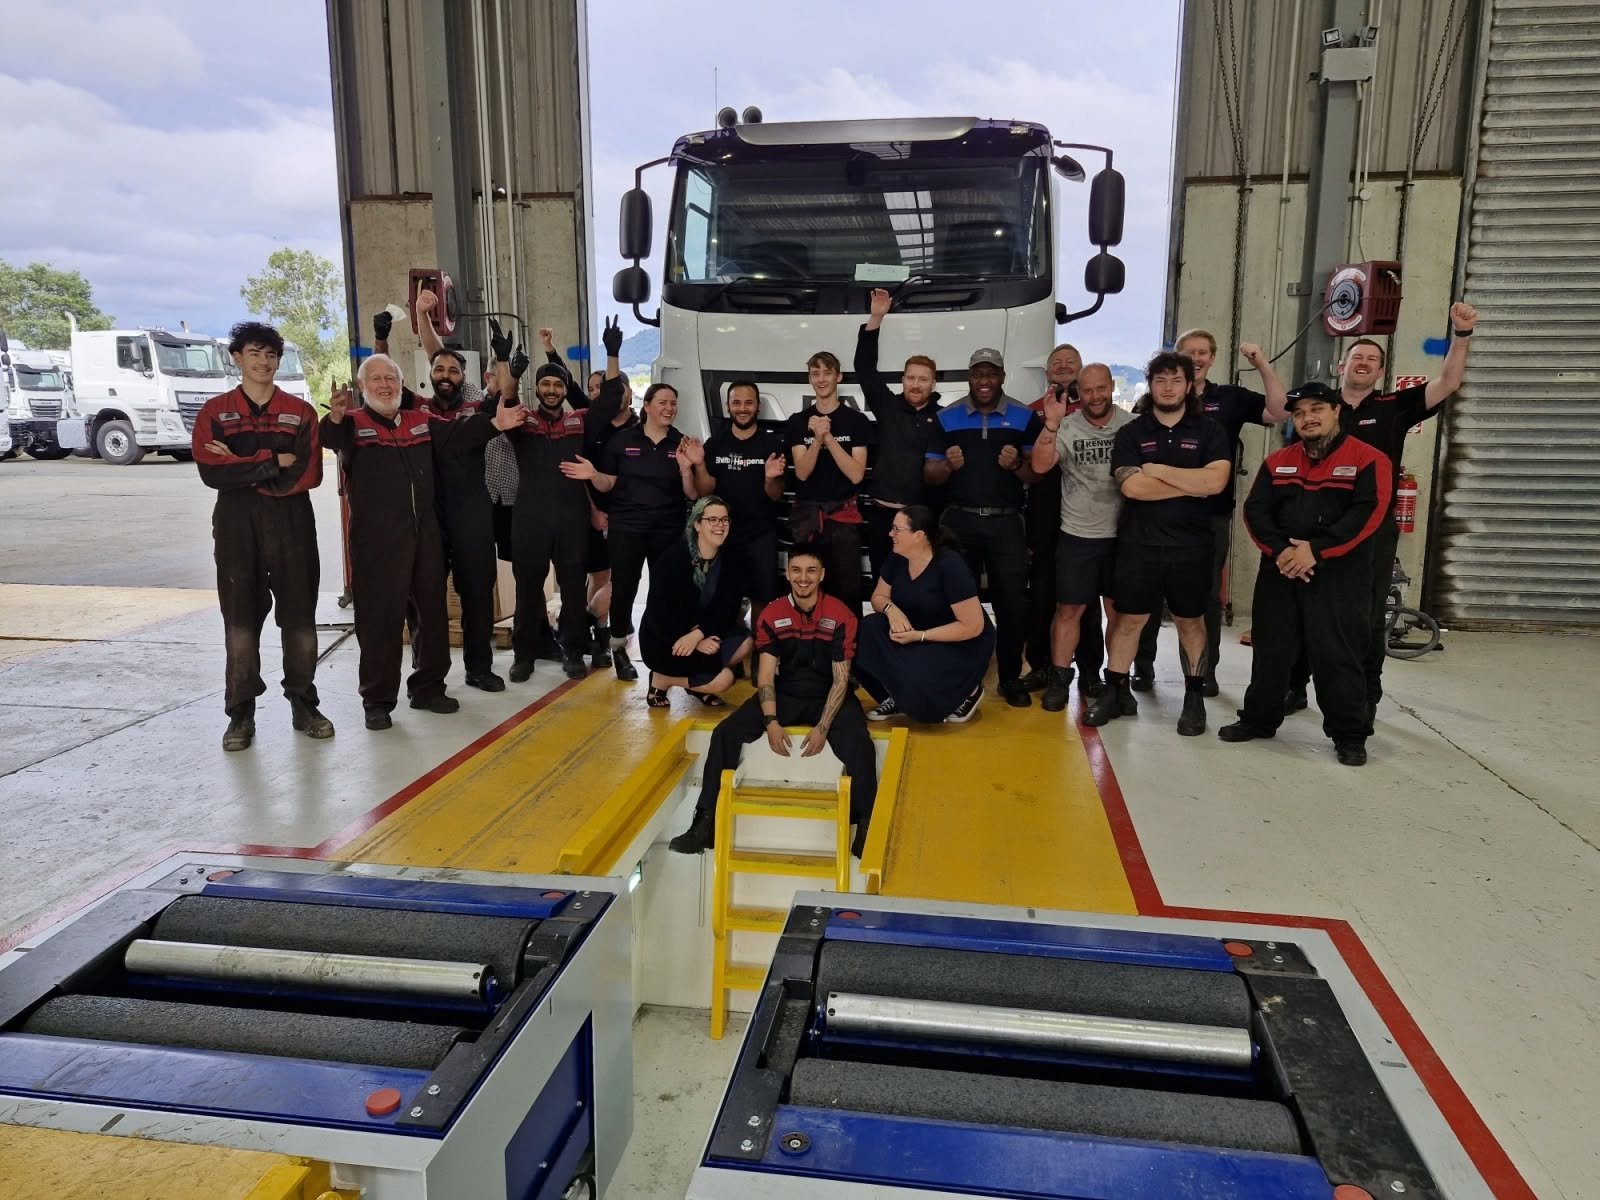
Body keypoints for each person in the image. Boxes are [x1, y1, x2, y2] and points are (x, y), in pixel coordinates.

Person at [1285, 303, 1478, 728]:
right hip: (1315, 527)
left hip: (1373, 527)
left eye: (1373, 359)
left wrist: (1461, 335)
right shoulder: (1318, 408)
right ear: (1342, 365)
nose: (1365, 363)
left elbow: (1448, 382)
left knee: (1369, 615)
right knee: (1305, 607)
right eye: (1358, 356)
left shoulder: (1396, 405)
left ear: (1380, 371)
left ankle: (1366, 694)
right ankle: (1294, 688)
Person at [321, 354, 521, 729]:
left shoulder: (420, 421)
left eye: (391, 378)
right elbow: (330, 438)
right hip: (377, 542)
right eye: (376, 379)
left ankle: (428, 687)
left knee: (432, 616)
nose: (385, 385)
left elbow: (458, 435)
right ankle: (377, 701)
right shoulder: (353, 424)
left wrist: (495, 422)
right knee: (380, 622)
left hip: (424, 534)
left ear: (402, 384)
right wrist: (333, 417)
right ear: (363, 387)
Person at [666, 546, 877, 859]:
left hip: (829, 693)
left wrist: (822, 727)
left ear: (822, 575)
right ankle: (703, 825)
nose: (802, 578)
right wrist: (772, 722)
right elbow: (765, 677)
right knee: (725, 732)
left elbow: (841, 680)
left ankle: (865, 829)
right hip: (786, 691)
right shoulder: (773, 613)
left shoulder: (840, 614)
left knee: (861, 743)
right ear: (788, 573)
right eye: (796, 570)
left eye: (810, 571)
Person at [1220, 384, 1393, 765]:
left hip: (1338, 575)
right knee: (1271, 651)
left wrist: (1313, 550)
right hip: (1281, 570)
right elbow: (1256, 512)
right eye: (1299, 414)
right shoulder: (1277, 462)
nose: (1307, 418)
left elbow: (1367, 515)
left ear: (1336, 411)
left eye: (1316, 409)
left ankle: (1350, 734)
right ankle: (1259, 719)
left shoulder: (1369, 460)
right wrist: (1283, 551)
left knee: (1338, 655)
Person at [192, 320, 333, 750]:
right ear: (237, 358)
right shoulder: (215, 412)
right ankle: (240, 714)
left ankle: (304, 704)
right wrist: (273, 459)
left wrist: (243, 465)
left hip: (291, 522)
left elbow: (308, 472)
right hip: (237, 526)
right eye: (255, 353)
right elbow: (210, 471)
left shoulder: (300, 412)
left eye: (271, 355)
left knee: (299, 619)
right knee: (239, 622)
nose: (264, 362)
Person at [1132, 331, 1288, 695]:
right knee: (1148, 593)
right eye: (1189, 352)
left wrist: (1261, 363)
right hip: (1154, 515)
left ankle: (1204, 672)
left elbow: (1280, 411)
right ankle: (1143, 666)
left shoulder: (1229, 398)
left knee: (1205, 598)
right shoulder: (1151, 404)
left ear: (1212, 358)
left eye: (1203, 352)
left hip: (1209, 516)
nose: (1196, 357)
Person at [1086, 351, 1232, 736]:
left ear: (1189, 385)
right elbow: (1133, 488)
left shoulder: (1210, 430)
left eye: (1176, 380)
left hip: (1193, 547)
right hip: (1139, 544)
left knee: (1191, 621)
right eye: (1160, 380)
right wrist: (1189, 481)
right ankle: (1114, 691)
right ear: (1151, 386)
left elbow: (1215, 483)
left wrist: (1160, 471)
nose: (1168, 387)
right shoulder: (1132, 433)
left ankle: (1194, 698)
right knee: (1129, 620)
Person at [503, 318, 626, 682]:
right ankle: (523, 654)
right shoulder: (522, 422)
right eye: (546, 383)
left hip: (571, 518)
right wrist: (509, 370)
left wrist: (613, 353)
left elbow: (611, 399)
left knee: (573, 587)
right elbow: (505, 401)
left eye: (558, 384)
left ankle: (573, 649)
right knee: (527, 588)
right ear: (537, 388)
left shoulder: (580, 421)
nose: (553, 389)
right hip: (529, 518)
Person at [924, 347, 1045, 707]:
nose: (984, 381)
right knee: (959, 605)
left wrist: (1015, 466)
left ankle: (1009, 679)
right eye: (978, 373)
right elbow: (930, 477)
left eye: (991, 373)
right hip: (959, 522)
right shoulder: (947, 417)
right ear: (969, 377)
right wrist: (946, 466)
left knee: (1012, 606)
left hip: (1007, 523)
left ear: (1002, 377)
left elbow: (1035, 476)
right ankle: (962, 679)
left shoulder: (1026, 418)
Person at [561, 381, 698, 681]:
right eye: (662, 402)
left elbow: (692, 494)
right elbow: (607, 483)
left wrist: (689, 467)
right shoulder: (622, 441)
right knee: (624, 589)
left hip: (667, 528)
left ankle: (661, 648)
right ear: (646, 406)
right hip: (627, 528)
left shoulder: (682, 443)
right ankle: (619, 648)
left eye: (673, 403)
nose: (669, 408)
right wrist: (593, 475)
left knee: (665, 591)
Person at [414, 290, 508, 692]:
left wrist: (502, 359)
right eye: (440, 370)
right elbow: (426, 350)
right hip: (430, 518)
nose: (446, 375)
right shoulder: (416, 409)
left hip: (473, 514)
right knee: (428, 601)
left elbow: (503, 393)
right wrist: (422, 315)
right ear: (431, 375)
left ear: (463, 378)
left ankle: (479, 668)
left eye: (454, 370)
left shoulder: (477, 407)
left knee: (477, 596)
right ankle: (429, 677)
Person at [1028, 363, 1135, 712]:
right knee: (1069, 610)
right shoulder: (1068, 426)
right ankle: (1060, 678)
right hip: (1078, 534)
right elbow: (1041, 466)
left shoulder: (1131, 426)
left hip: (1122, 536)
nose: (1095, 396)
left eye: (1101, 388)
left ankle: (1117, 683)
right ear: (1079, 393)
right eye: (1088, 390)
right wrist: (1052, 422)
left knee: (1119, 614)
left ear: (1112, 387)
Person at [856, 505, 994, 723]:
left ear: (919, 536)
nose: (890, 534)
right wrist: (893, 611)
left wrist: (920, 636)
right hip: (914, 630)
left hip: (957, 640)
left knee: (916, 677)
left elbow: (972, 626)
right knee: (865, 630)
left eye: (897, 529)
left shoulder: (950, 565)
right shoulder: (898, 556)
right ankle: (895, 697)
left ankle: (968, 691)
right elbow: (878, 598)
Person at [1022, 343, 1107, 697]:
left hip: (1087, 518)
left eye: (1070, 362)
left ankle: (1090, 671)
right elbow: (1030, 469)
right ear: (1046, 372)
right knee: (1041, 594)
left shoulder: (1093, 413)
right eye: (1055, 361)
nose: (1062, 366)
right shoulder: (1031, 414)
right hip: (1044, 514)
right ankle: (1040, 666)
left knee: (1083, 600)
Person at [854, 288, 944, 577]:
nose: (916, 385)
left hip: (922, 520)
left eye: (923, 379)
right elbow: (864, 368)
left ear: (933, 384)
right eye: (910, 378)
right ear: (902, 380)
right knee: (884, 580)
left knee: (921, 583)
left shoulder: (944, 418)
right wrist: (876, 317)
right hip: (883, 516)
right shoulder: (887, 406)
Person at [640, 497, 755, 707]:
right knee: (725, 679)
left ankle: (696, 683)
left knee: (745, 643)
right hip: (667, 640)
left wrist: (699, 635)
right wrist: (692, 639)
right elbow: (659, 614)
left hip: (701, 634)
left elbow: (727, 610)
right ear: (697, 524)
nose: (720, 526)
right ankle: (662, 679)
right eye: (712, 519)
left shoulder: (732, 561)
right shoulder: (673, 558)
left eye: (724, 520)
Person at [786, 350, 875, 613]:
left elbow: (856, 474)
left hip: (843, 518)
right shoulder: (798, 422)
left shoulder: (856, 421)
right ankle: (809, 649)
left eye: (827, 373)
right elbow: (802, 472)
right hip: (808, 519)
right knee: (806, 588)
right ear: (810, 379)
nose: (821, 379)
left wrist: (829, 438)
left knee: (847, 590)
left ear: (839, 376)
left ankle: (849, 651)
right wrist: (816, 439)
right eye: (816, 374)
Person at [690, 381, 787, 614]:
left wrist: (770, 477)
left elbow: (776, 495)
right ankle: (731, 647)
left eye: (748, 403)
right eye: (736, 402)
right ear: (728, 406)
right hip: (722, 535)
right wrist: (700, 464)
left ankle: (760, 648)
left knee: (763, 597)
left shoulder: (771, 445)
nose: (742, 408)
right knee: (725, 597)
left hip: (760, 534)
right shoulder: (715, 444)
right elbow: (705, 492)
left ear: (758, 406)